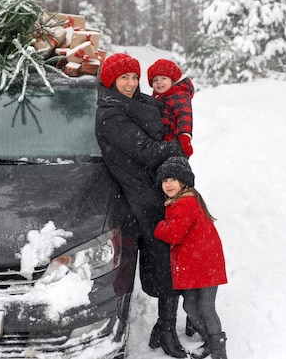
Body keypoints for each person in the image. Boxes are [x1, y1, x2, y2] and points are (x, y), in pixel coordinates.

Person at [95, 53, 188, 358]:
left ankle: (167, 324)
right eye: (124, 77)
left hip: (154, 189)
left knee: (170, 255)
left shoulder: (139, 103)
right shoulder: (111, 115)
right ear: (111, 81)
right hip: (138, 196)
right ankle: (165, 327)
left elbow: (168, 112)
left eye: (135, 77)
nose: (131, 83)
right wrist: (178, 147)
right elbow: (148, 151)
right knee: (162, 257)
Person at [154, 156, 228, 359]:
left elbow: (173, 234)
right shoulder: (180, 201)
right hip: (198, 263)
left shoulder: (185, 203)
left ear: (183, 182)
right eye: (164, 180)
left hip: (204, 263)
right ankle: (211, 342)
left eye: (173, 180)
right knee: (190, 305)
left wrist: (158, 226)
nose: (168, 184)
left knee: (205, 307)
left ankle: (219, 352)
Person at [147, 59, 195, 158]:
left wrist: (184, 137)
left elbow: (184, 116)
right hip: (161, 144)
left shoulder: (179, 95)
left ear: (172, 80)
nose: (159, 82)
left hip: (175, 144)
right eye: (155, 80)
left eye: (163, 78)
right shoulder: (157, 98)